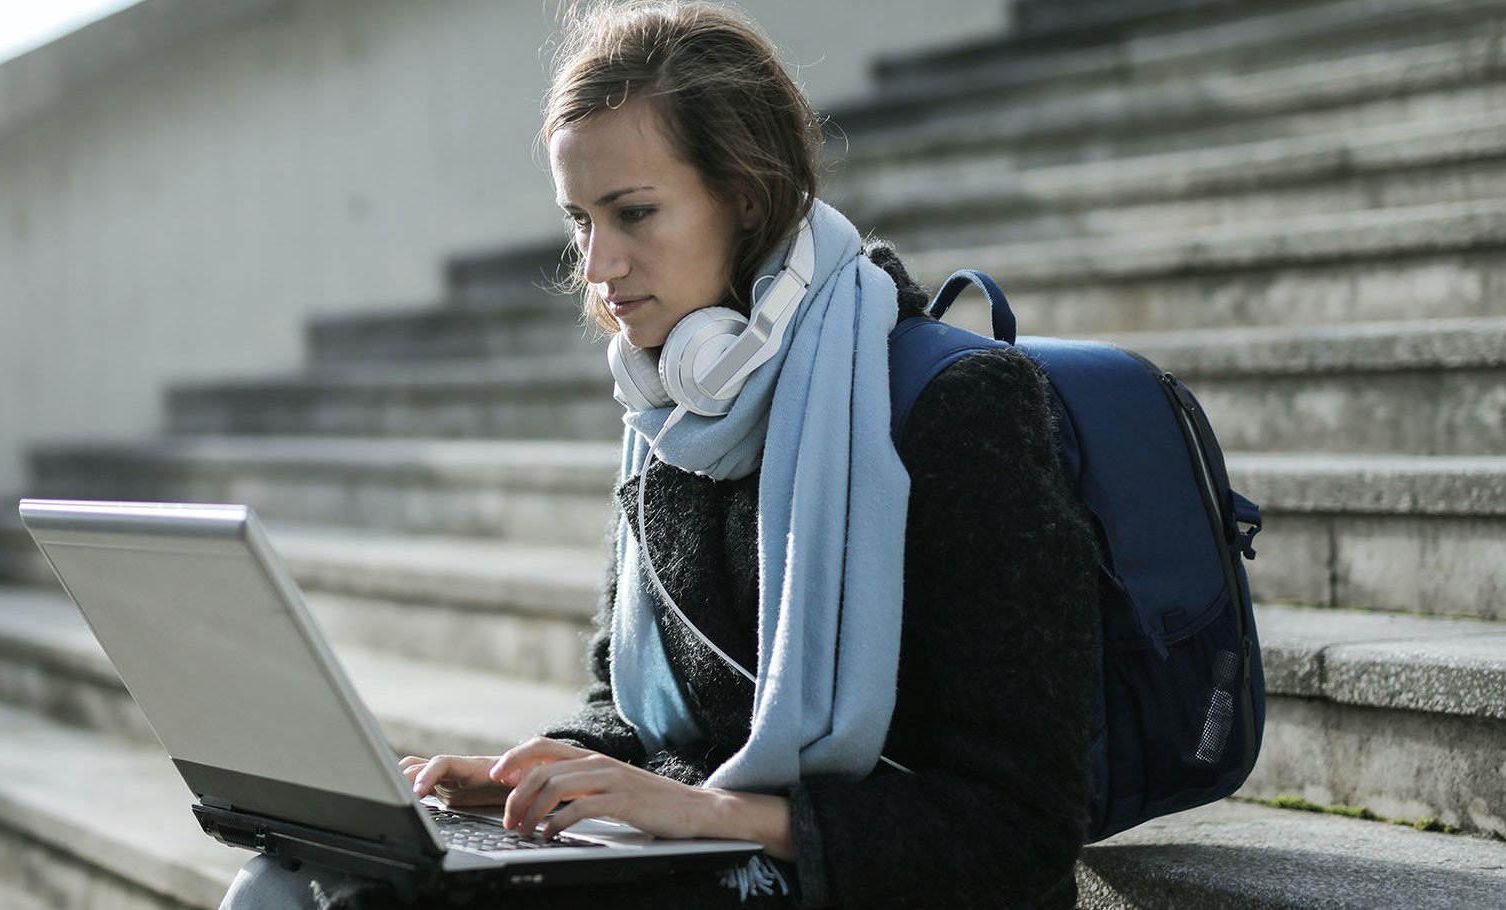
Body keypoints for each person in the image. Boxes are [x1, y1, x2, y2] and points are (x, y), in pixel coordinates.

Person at [220, 2, 1100, 908]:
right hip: (690, 859)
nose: (598, 265)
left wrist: (709, 814)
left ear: (748, 198)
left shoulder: (959, 408)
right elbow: (631, 708)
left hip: (851, 880)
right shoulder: (671, 401)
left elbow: (1020, 828)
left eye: (633, 213)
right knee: (297, 879)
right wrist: (536, 773)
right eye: (579, 220)